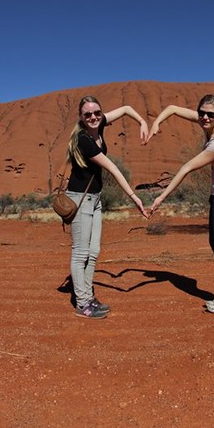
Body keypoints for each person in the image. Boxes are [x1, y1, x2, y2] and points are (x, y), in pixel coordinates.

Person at [146, 94, 214, 314]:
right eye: (201, 113)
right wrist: (157, 122)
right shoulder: (207, 123)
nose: (204, 118)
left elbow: (186, 168)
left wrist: (161, 197)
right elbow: (171, 107)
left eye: (210, 114)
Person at [65, 95, 149, 319]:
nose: (93, 117)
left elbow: (126, 107)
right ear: (81, 118)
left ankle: (88, 295)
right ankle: (82, 303)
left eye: (97, 113)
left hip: (95, 199)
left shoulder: (100, 124)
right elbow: (113, 168)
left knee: (93, 252)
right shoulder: (84, 140)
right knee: (80, 252)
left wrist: (142, 121)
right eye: (88, 114)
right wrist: (134, 197)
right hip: (79, 200)